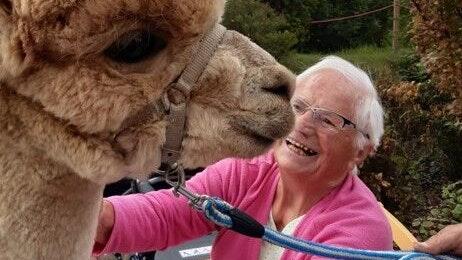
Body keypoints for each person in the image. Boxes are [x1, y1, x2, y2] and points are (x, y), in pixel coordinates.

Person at [93, 56, 392, 259]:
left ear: (361, 150)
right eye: (297, 107)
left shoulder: (359, 233)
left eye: (328, 120)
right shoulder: (249, 171)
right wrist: (96, 218)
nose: (302, 125)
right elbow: (170, 213)